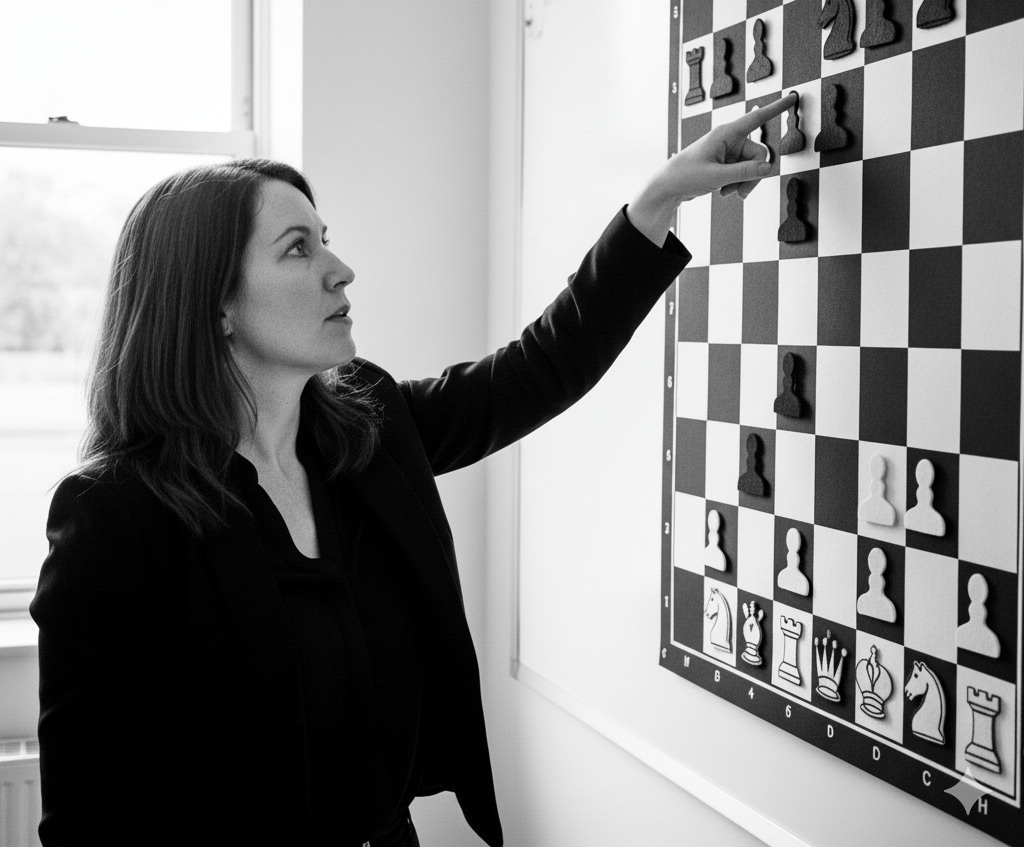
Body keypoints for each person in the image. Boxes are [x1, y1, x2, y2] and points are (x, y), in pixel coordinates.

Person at [29, 92, 796, 847]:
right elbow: (87, 821)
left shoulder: (369, 426)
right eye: (299, 248)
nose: (342, 269)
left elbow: (537, 369)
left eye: (326, 238)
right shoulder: (115, 517)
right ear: (214, 304)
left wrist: (657, 199)